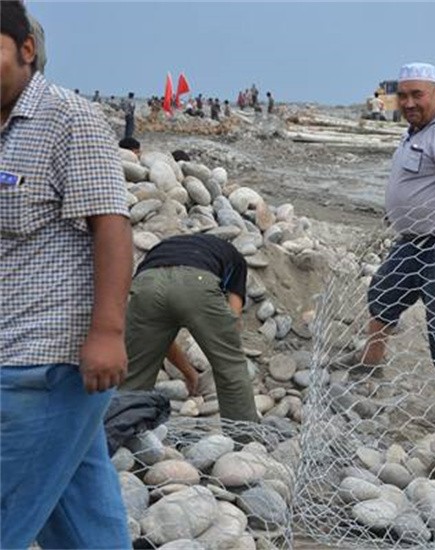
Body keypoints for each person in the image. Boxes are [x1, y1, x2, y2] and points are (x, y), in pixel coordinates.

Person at [0, 2, 133, 547]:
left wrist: (108, 333)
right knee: (81, 515)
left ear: (25, 50)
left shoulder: (69, 119)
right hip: (15, 353)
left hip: (47, 366)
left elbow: (113, 226)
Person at [340, 62, 435, 425]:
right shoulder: (416, 129)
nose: (408, 102)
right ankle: (372, 360)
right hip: (412, 239)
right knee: (382, 291)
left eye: (417, 95)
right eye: (403, 95)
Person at [120, 234, 260, 423]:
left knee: (133, 373)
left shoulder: (164, 247)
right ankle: (246, 440)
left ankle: (119, 434)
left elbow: (160, 341)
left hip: (148, 283)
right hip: (197, 281)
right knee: (231, 365)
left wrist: (188, 373)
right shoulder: (236, 260)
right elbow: (233, 322)